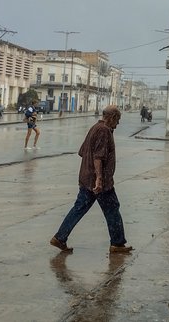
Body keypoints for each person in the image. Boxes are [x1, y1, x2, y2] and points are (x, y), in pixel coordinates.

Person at [50, 104, 133, 254]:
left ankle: (60, 238)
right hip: (99, 182)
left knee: (79, 208)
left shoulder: (95, 128)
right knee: (113, 209)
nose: (118, 123)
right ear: (112, 117)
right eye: (118, 119)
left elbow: (82, 152)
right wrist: (99, 179)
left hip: (87, 178)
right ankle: (117, 244)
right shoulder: (104, 131)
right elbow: (98, 157)